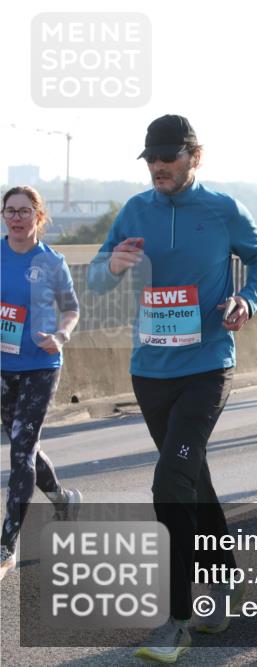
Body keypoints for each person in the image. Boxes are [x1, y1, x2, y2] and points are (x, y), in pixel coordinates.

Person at [87, 114, 257, 662]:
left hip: (207, 364)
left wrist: (247, 299)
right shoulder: (135, 210)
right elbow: (99, 275)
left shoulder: (223, 209)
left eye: (168, 156)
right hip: (150, 372)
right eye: (150, 158)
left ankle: (175, 617)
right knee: (193, 477)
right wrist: (113, 264)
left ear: (196, 155)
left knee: (171, 479)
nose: (157, 167)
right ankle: (226, 580)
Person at [1, 186, 82, 582]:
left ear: (38, 216)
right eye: (9, 211)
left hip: (41, 364)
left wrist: (61, 335)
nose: (16, 218)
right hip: (2, 367)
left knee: (20, 449)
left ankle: (7, 543)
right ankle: (63, 499)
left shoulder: (51, 262)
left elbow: (71, 309)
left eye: (23, 211)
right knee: (26, 445)